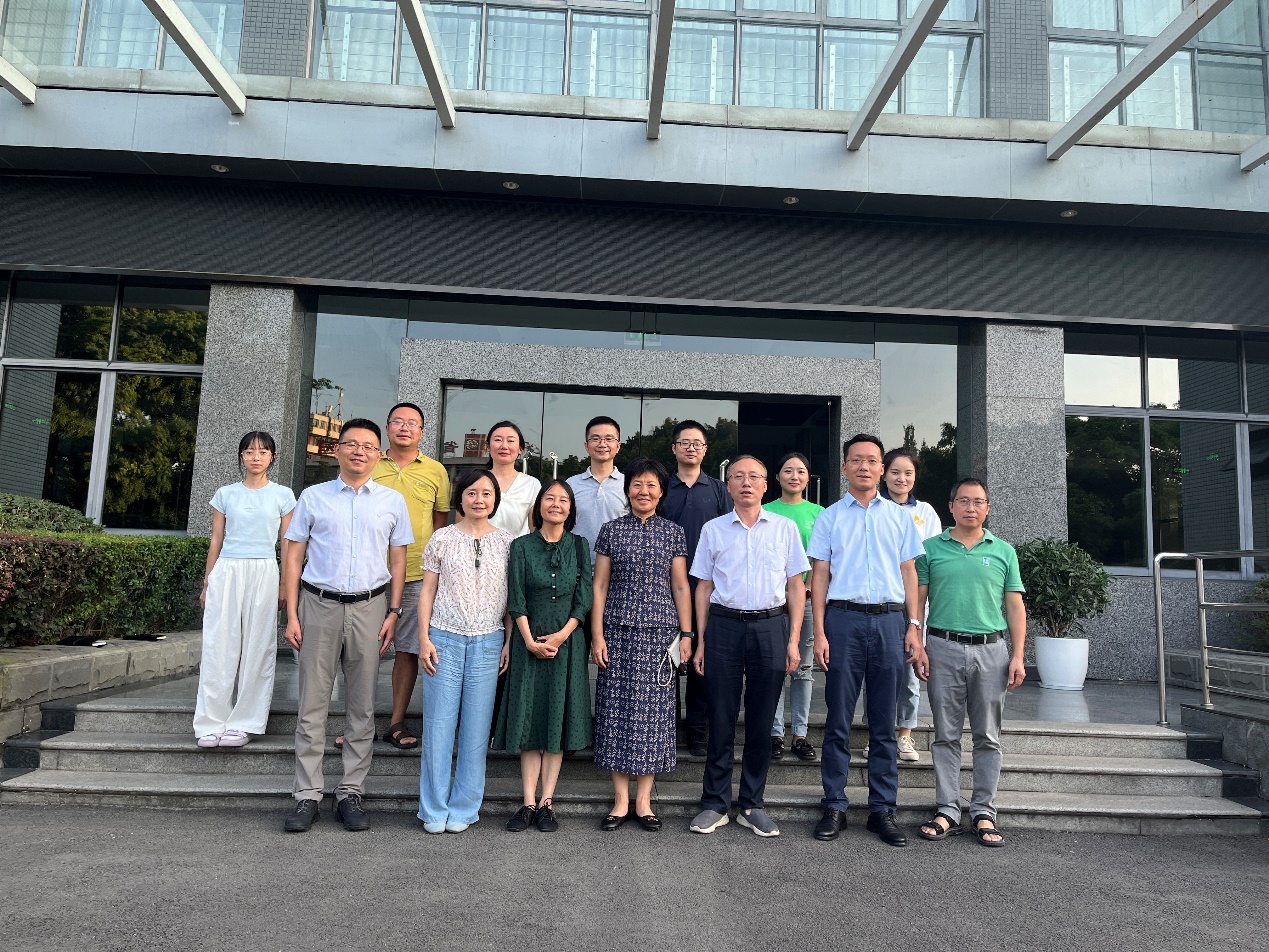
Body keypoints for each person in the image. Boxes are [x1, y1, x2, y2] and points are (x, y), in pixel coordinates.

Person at [281, 418, 412, 833]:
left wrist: (394, 612)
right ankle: (307, 795)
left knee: (362, 706)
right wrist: (291, 614)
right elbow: (293, 556)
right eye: (351, 444)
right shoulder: (313, 497)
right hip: (318, 605)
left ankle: (351, 792)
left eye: (368, 446)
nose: (359, 451)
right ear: (336, 450)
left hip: (371, 609)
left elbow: (398, 561)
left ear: (379, 454)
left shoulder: (392, 501)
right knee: (312, 704)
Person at [807, 433, 927, 847]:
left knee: (883, 722)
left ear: (881, 469)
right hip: (843, 621)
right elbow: (820, 575)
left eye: (872, 460)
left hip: (891, 622)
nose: (864, 466)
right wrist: (819, 631)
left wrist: (914, 625)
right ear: (844, 467)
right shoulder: (830, 517)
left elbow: (909, 573)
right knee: (838, 719)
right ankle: (834, 805)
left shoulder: (899, 517)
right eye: (856, 460)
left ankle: (882, 810)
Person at [688, 455, 809, 838]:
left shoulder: (785, 528)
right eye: (738, 476)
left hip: (770, 627)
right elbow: (703, 586)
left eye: (754, 476)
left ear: (765, 485)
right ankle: (715, 803)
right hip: (723, 626)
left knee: (761, 720)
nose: (746, 482)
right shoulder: (713, 529)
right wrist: (701, 640)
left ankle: (752, 804)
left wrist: (793, 640)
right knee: (720, 717)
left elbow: (796, 587)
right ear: (728, 486)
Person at [916, 478, 1026, 848]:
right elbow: (917, 600)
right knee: (945, 734)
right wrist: (918, 642)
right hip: (942, 646)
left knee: (988, 735)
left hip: (991, 650)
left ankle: (983, 811)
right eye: (963, 501)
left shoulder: (1003, 551)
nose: (971, 507)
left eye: (978, 501)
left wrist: (1018, 655)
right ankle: (947, 809)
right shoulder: (930, 548)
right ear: (951, 507)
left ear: (987, 508)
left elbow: (1015, 606)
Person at [591, 457, 693, 832]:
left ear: (661, 492)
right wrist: (596, 634)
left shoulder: (673, 532)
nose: (644, 491)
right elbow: (600, 585)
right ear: (628, 489)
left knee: (654, 716)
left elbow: (680, 586)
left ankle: (644, 801)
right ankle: (620, 801)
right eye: (637, 484)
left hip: (660, 635)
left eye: (651, 485)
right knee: (616, 712)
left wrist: (687, 635)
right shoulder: (611, 531)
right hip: (616, 632)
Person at [416, 468, 514, 834]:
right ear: (460, 498)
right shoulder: (442, 538)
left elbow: (511, 600)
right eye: (472, 493)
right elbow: (427, 591)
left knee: (476, 728)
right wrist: (424, 638)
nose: (479, 500)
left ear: (495, 500)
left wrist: (508, 641)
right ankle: (433, 808)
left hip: (489, 640)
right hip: (444, 637)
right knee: (438, 726)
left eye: (486, 494)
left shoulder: (508, 542)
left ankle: (464, 807)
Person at [493, 480, 593, 833]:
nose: (556, 504)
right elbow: (516, 597)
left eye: (563, 500)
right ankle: (527, 802)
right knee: (530, 718)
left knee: (556, 718)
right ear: (538, 506)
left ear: (570, 509)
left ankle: (547, 801)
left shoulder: (580, 546)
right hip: (528, 641)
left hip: (568, 644)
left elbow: (584, 598)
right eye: (549, 498)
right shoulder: (521, 546)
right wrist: (529, 641)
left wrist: (562, 635)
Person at [357, 401, 451, 752]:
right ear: (387, 427)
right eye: (397, 421)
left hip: (415, 574)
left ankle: (396, 721)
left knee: (408, 650)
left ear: (422, 432)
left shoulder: (436, 471)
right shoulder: (370, 462)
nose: (404, 428)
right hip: (367, 574)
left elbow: (440, 522)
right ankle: (358, 723)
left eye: (412, 423)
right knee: (361, 650)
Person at [193, 431, 295, 749]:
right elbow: (216, 540)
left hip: (264, 570)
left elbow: (288, 545)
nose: (255, 457)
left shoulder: (283, 495)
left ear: (272, 457)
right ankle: (211, 722)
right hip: (227, 569)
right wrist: (208, 583)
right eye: (249, 452)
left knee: (258, 647)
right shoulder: (225, 494)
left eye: (263, 452)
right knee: (218, 646)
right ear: (241, 456)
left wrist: (284, 585)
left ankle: (245, 722)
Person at [857, 447, 943, 763]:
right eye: (895, 472)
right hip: (880, 599)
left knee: (909, 667)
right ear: (884, 473)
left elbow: (928, 559)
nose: (901, 478)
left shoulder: (926, 513)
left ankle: (905, 732)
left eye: (908, 473)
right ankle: (876, 733)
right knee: (876, 670)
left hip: (914, 600)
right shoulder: (869, 509)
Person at [663, 419, 732, 757]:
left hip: (707, 587)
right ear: (674, 448)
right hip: (664, 587)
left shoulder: (718, 490)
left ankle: (698, 730)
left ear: (705, 450)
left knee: (702, 658)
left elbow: (730, 534)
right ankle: (667, 726)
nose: (691, 448)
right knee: (667, 657)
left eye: (697, 443)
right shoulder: (662, 486)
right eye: (685, 443)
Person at [764, 452, 824, 765]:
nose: (794, 476)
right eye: (788, 471)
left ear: (807, 477)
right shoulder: (765, 511)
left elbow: (822, 558)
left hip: (808, 599)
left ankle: (800, 734)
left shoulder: (819, 513)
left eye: (800, 471)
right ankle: (775, 733)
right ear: (777, 477)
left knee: (803, 670)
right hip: (773, 601)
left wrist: (809, 586)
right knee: (775, 667)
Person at [565, 415, 627, 563]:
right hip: (577, 567)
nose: (602, 444)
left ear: (618, 446)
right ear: (586, 446)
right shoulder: (571, 484)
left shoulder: (629, 484)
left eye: (609, 439)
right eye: (596, 438)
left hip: (619, 568)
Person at [486, 420, 541, 538]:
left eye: (510, 441)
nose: (504, 446)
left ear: (520, 449)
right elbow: (462, 527)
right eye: (498, 440)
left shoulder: (532, 484)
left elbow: (535, 532)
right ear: (488, 447)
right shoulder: (475, 482)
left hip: (517, 549)